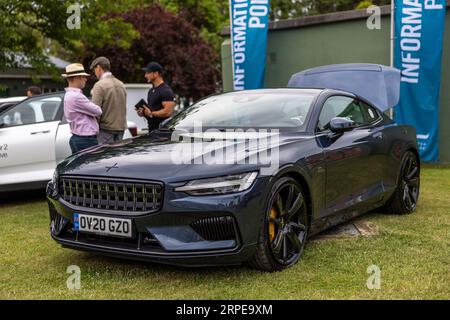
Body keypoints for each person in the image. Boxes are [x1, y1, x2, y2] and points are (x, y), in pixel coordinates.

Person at [62, 63, 102, 154]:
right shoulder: (76, 96)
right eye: (83, 77)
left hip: (79, 138)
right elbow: (98, 111)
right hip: (85, 140)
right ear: (76, 78)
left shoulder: (69, 94)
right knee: (91, 167)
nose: (85, 79)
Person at [90, 56, 127, 144]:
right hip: (121, 129)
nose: (94, 73)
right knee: (118, 157)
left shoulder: (99, 85)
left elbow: (95, 112)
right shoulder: (121, 84)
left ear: (98, 68)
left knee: (105, 157)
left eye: (94, 70)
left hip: (106, 130)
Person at [137, 62, 175, 132]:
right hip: (151, 130)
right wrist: (143, 113)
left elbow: (168, 112)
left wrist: (151, 113)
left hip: (162, 132)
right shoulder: (151, 91)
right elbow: (152, 112)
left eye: (147, 73)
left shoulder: (166, 90)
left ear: (156, 74)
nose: (145, 75)